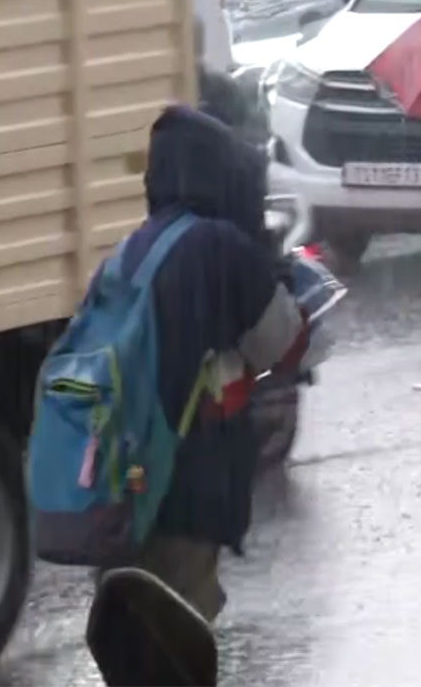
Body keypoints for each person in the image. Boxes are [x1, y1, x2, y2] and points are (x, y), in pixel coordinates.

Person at [100, 105, 308, 621]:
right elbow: (278, 342)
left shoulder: (129, 250)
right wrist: (274, 273)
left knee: (132, 632)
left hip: (122, 483)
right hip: (191, 482)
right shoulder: (225, 247)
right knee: (181, 630)